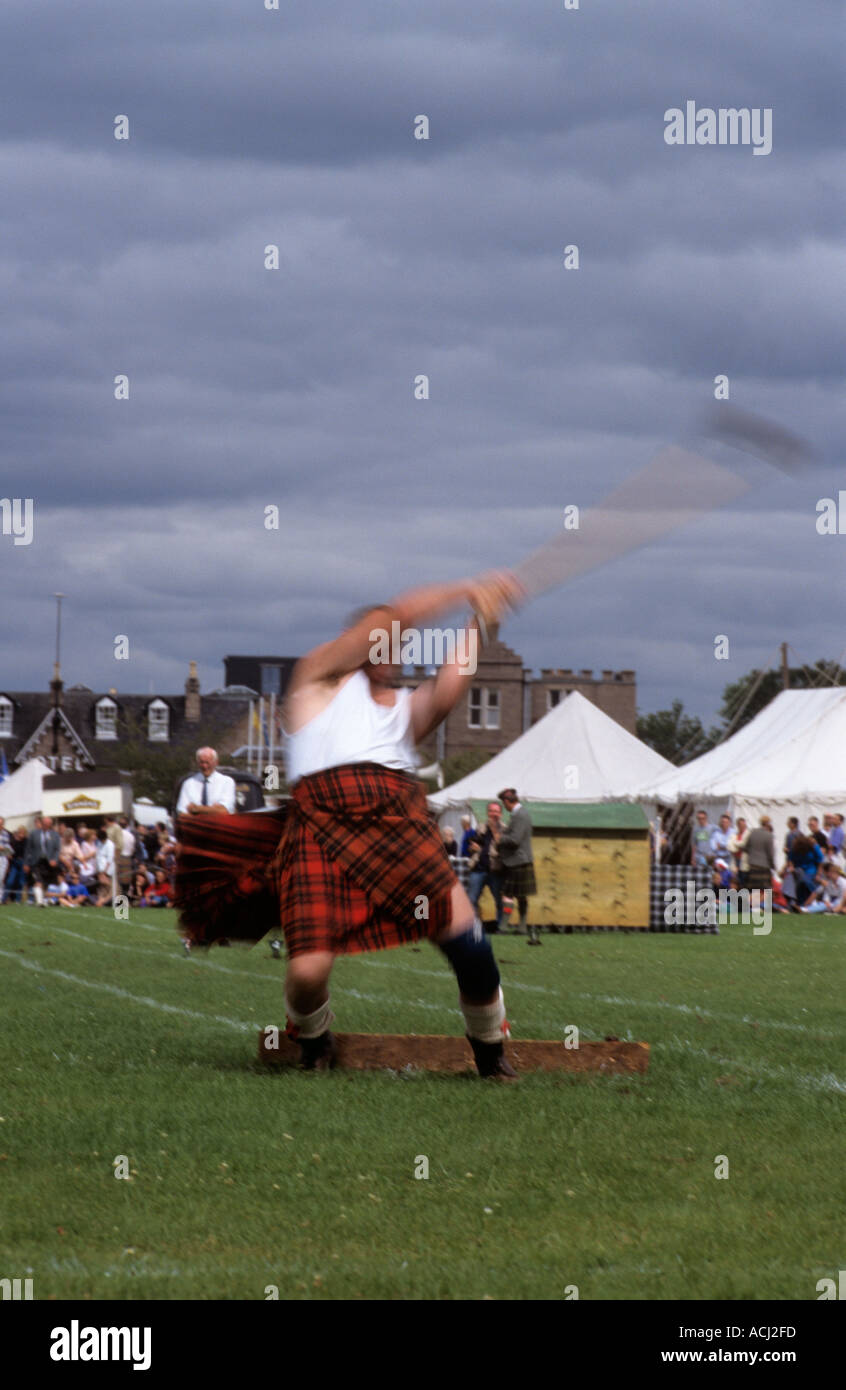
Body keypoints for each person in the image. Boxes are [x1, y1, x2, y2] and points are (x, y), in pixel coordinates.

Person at [175, 570, 524, 1079]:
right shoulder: (315, 680)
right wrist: (467, 590)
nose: (397, 648)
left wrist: (478, 623)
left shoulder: (403, 710)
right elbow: (399, 613)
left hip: (397, 826)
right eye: (386, 639)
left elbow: (447, 690)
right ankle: (314, 1041)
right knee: (308, 968)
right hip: (320, 825)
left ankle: (490, 1052)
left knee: (469, 945)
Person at [497, 788, 538, 945]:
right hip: (520, 860)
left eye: (503, 803)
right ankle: (521, 927)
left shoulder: (520, 815)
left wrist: (500, 838)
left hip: (518, 860)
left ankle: (504, 926)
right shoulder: (519, 814)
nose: (504, 806)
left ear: (508, 801)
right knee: (521, 896)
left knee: (507, 894)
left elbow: (515, 839)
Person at [466, 802, 504, 932]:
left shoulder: (505, 829)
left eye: (496, 811)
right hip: (478, 868)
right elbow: (472, 847)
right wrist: (473, 848)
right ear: (488, 813)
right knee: (471, 899)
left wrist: (494, 830)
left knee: (499, 901)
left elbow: (503, 847)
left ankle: (499, 926)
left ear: (501, 814)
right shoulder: (481, 827)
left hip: (495, 869)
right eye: (491, 811)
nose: (494, 814)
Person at [176, 748, 236, 817]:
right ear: (197, 763)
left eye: (207, 762)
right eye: (201, 762)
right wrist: (213, 810)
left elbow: (224, 811)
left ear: (216, 762)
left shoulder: (227, 782)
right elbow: (182, 813)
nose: (205, 766)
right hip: (195, 827)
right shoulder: (188, 784)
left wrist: (196, 809)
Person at [25, 815, 61, 906]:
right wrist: (26, 863)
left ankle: (43, 900)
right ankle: (39, 902)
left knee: (46, 883)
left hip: (49, 862)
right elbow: (28, 849)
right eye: (43, 823)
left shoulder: (55, 835)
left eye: (47, 824)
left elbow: (57, 849)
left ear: (50, 825)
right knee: (38, 881)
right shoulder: (34, 834)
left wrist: (54, 859)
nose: (45, 825)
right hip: (36, 861)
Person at [745, 816, 776, 898]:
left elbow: (746, 847)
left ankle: (754, 907)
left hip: (753, 865)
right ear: (768, 823)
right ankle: (766, 907)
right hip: (764, 866)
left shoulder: (752, 832)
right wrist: (773, 866)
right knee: (766, 888)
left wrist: (752, 855)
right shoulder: (769, 835)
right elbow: (770, 854)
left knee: (754, 889)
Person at [93, 828, 116, 907]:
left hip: (107, 870)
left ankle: (105, 901)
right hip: (100, 869)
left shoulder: (110, 844)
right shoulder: (99, 843)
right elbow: (98, 856)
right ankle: (100, 901)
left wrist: (105, 871)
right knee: (101, 887)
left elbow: (110, 859)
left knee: (109, 886)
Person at [0, 817, 11, 903]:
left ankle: (0, 897)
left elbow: (7, 846)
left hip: (3, 857)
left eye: (1, 824)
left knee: (1, 878)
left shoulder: (5, 834)